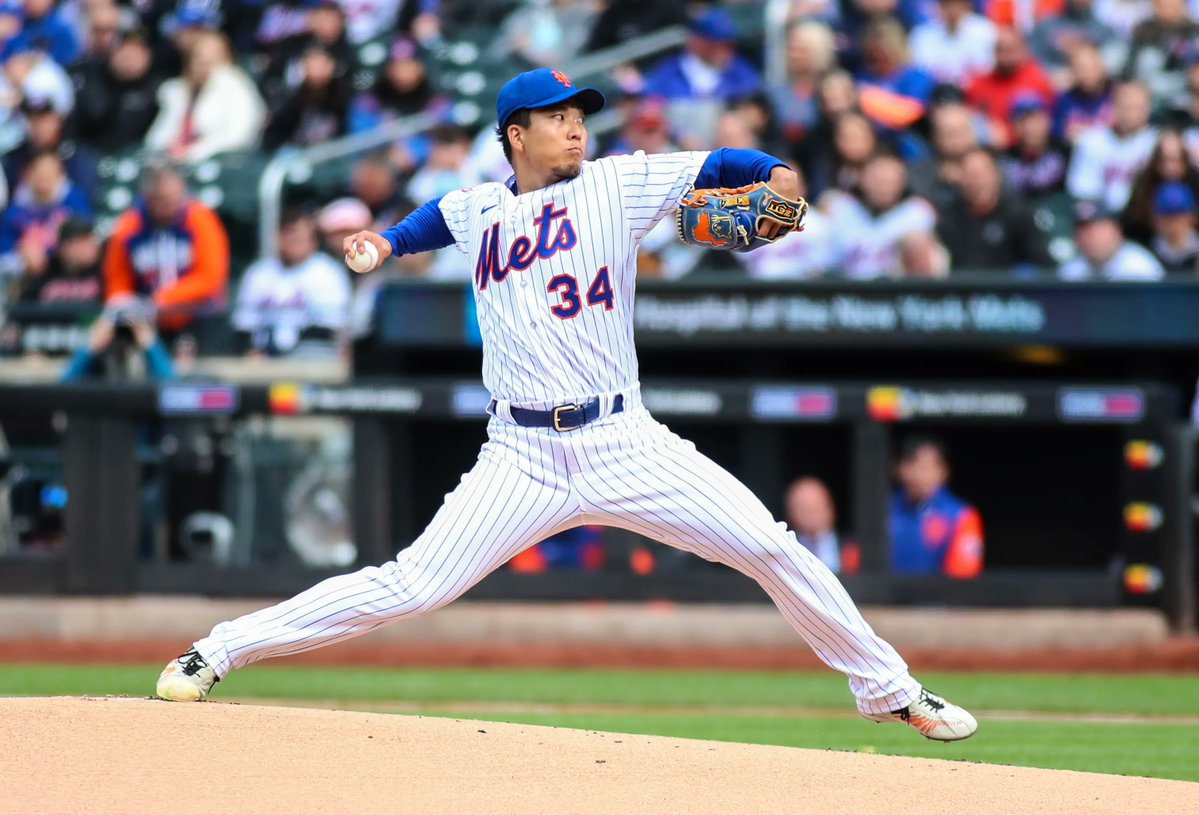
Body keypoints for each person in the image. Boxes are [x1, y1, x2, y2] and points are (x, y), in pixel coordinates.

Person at [155, 66, 978, 743]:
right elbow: (425, 224)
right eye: (557, 117)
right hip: (520, 456)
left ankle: (892, 691)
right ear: (516, 134)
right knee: (407, 584)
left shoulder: (618, 183)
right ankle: (216, 651)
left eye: (581, 113)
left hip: (624, 437)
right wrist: (381, 243)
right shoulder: (479, 207)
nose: (577, 126)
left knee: (770, 545)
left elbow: (736, 167)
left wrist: (781, 180)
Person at [103, 163, 230, 332]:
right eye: (161, 200)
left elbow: (210, 278)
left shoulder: (201, 219)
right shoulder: (129, 225)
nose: (169, 205)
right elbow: (118, 281)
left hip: (198, 316)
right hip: (146, 322)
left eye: (174, 198)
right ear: (147, 198)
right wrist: (125, 305)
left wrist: (163, 299)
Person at [232, 210, 351, 358]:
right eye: (287, 236)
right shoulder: (258, 273)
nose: (293, 243)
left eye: (299, 238)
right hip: (263, 356)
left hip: (311, 353)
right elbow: (244, 326)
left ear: (312, 240)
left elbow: (329, 329)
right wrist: (251, 351)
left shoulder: (328, 272)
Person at [143, 30, 265, 163]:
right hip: (171, 167)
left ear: (228, 58)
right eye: (198, 56)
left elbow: (238, 136)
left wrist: (191, 153)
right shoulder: (177, 92)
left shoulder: (236, 85)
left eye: (213, 56)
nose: (204, 62)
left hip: (218, 166)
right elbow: (157, 138)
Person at [937, 146, 1054, 273]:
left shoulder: (1018, 214)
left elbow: (1043, 266)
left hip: (1008, 290)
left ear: (996, 175)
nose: (976, 182)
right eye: (970, 175)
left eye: (980, 175)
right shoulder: (949, 219)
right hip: (962, 290)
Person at [823, 152, 938, 279]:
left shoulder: (917, 212)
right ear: (862, 179)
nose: (884, 188)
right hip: (845, 290)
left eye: (891, 181)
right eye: (878, 180)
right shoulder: (840, 208)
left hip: (897, 292)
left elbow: (933, 268)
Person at [888, 436, 984, 578]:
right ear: (899, 468)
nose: (921, 476)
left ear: (944, 472)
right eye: (914, 465)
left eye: (929, 467)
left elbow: (964, 576)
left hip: (941, 599)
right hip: (883, 598)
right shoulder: (881, 510)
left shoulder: (962, 515)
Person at [1066, 80, 1157, 212]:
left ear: (1148, 108)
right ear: (1114, 107)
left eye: (1137, 107)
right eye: (1126, 106)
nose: (1132, 113)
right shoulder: (1092, 141)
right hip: (1103, 218)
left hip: (1147, 218)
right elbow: (1084, 194)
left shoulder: (1158, 143)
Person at [1059, 198, 1165, 279]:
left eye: (1096, 230)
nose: (1089, 238)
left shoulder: (1139, 267)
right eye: (1082, 232)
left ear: (1116, 231)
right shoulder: (1070, 271)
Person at [909, 0, 998, 86]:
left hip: (973, 92)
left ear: (968, 6)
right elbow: (922, 73)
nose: (953, 10)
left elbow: (988, 71)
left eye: (958, 3)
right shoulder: (922, 34)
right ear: (939, 6)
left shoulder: (985, 31)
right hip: (935, 94)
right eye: (947, 4)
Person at [1000, 93, 1070, 200]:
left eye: (1036, 120)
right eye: (1024, 122)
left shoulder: (1064, 151)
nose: (1031, 128)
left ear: (1048, 121)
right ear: (1014, 126)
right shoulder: (1006, 159)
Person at [784, 477, 843, 573]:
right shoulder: (786, 552)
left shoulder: (854, 548)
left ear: (830, 509)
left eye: (816, 506)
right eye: (803, 508)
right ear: (790, 514)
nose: (810, 513)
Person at [1147, 181, 1199, 274]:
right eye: (1167, 216)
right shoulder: (1145, 254)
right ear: (1155, 219)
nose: (1174, 222)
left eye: (1180, 214)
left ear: (1192, 217)